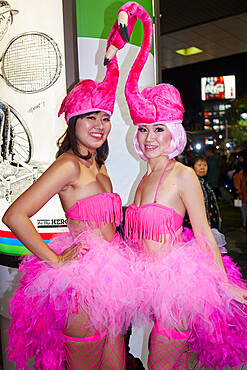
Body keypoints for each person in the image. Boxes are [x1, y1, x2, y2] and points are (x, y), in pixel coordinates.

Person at [106, 2, 247, 369]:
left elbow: (202, 232)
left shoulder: (182, 174)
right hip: (149, 287)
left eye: (159, 129)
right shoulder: (144, 177)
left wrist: (224, 283)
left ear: (173, 134)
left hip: (179, 289)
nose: (150, 137)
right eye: (144, 129)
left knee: (162, 360)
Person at [2, 23, 136, 370]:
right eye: (90, 116)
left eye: (104, 117)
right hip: (82, 283)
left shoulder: (99, 166)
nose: (100, 124)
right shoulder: (69, 165)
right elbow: (15, 216)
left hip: (113, 279)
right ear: (73, 120)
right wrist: (57, 260)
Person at [233, 153, 247, 232]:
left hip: (243, 192)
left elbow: (236, 178)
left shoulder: (241, 169)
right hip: (243, 192)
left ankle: (245, 225)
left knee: (244, 209)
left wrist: (237, 190)